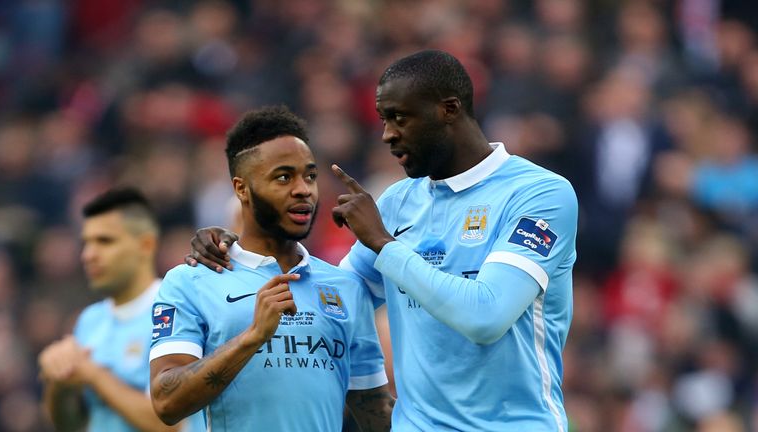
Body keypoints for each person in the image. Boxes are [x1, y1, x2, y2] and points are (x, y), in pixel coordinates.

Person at [190, 50, 578, 431]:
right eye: (382, 119)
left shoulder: (539, 194)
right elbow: (333, 295)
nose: (387, 135)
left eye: (399, 118)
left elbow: (486, 316)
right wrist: (242, 248)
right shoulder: (399, 201)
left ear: (449, 109)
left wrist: (382, 242)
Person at [149, 106, 392, 431]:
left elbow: (375, 412)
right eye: (283, 177)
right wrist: (253, 337)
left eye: (310, 176)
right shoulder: (191, 280)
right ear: (241, 188)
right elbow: (166, 402)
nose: (303, 189)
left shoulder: (345, 287)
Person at [38, 188, 205, 432]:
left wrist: (94, 375)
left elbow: (171, 423)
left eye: (105, 241)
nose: (88, 255)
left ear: (145, 245)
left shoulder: (175, 310)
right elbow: (71, 424)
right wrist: (59, 381)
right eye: (86, 243)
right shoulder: (89, 320)